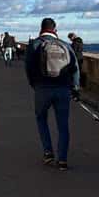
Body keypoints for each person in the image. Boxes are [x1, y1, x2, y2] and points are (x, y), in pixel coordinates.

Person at [25, 17, 80, 170]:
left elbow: (28, 68)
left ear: (41, 29)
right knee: (63, 125)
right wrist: (75, 88)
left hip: (42, 88)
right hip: (63, 89)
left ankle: (48, 152)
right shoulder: (65, 45)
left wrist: (34, 84)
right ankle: (62, 159)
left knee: (41, 119)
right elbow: (75, 68)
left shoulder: (35, 44)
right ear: (55, 30)